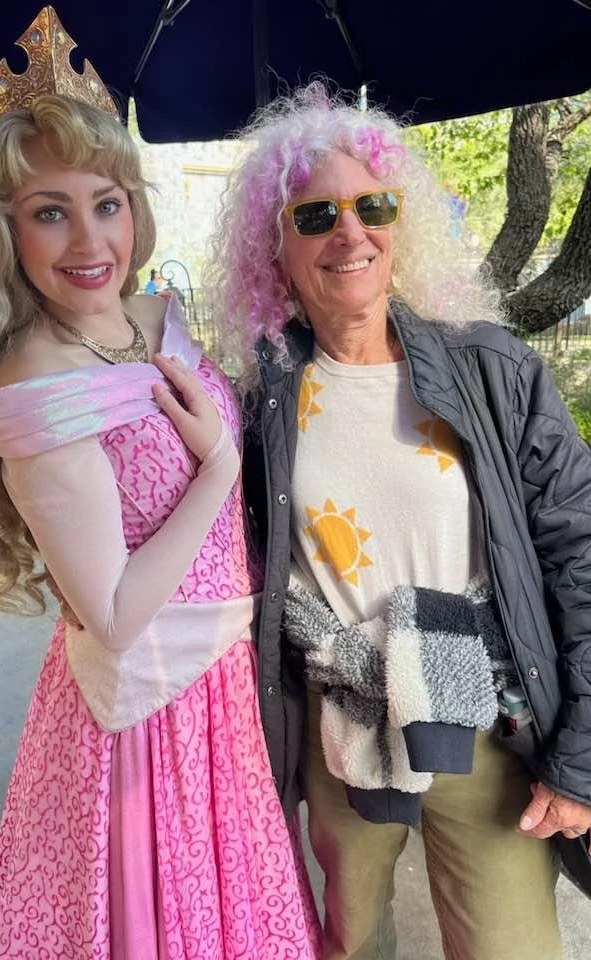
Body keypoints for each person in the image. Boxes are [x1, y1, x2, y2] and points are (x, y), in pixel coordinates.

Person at [0, 15, 321, 959]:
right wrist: (217, 468)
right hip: (151, 710)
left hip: (222, 683)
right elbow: (111, 611)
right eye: (48, 210)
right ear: (2, 228)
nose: (90, 238)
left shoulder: (149, 313)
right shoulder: (38, 384)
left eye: (107, 202)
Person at [208, 83, 591, 960]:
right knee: (349, 943)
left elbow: (581, 551)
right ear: (275, 248)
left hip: (488, 723)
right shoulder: (258, 398)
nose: (350, 233)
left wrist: (580, 760)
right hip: (341, 728)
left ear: (399, 221)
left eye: (371, 206)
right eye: (314, 216)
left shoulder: (491, 371)